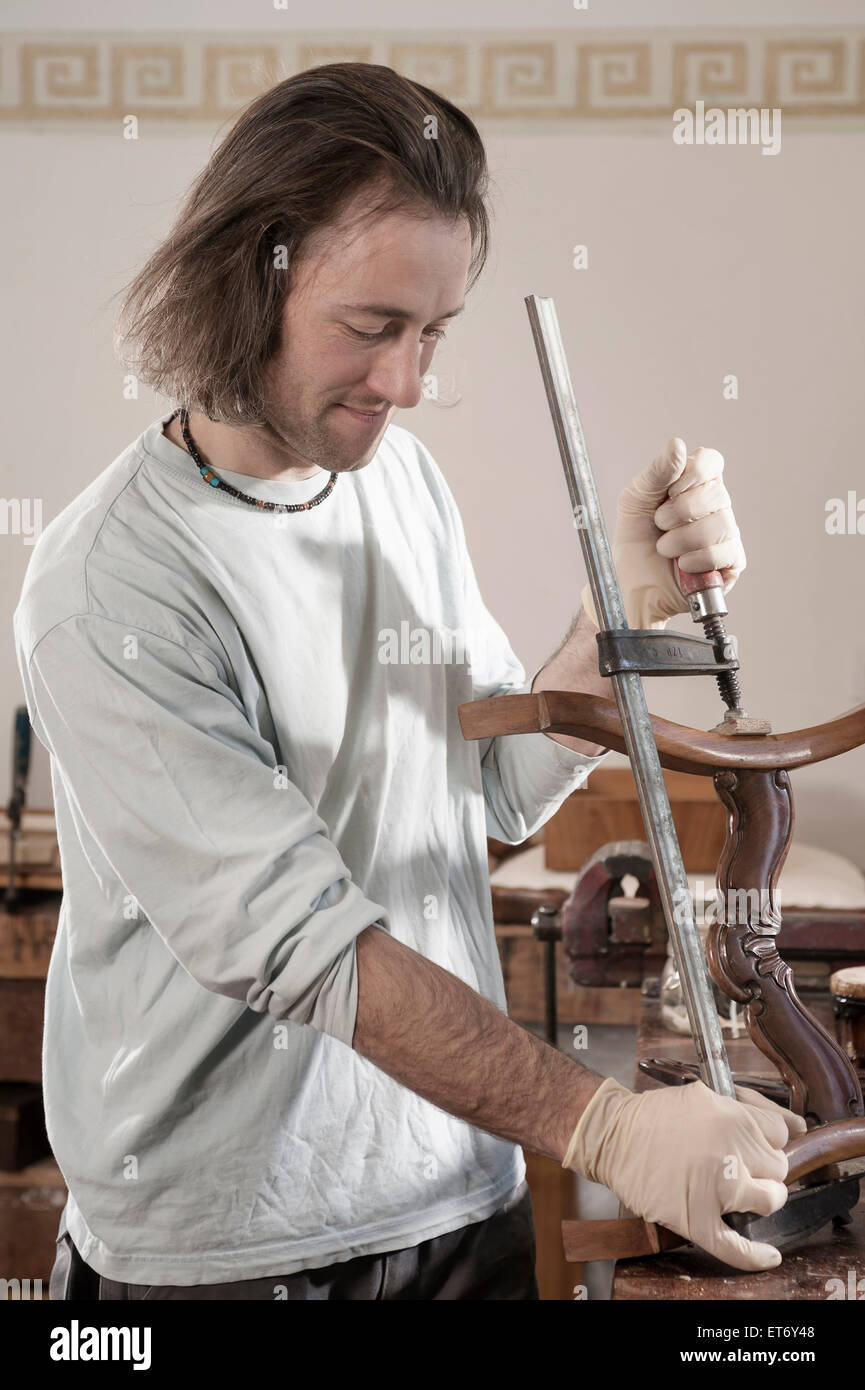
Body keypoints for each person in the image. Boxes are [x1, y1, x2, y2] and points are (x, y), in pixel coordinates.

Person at [14, 61, 804, 1302]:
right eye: (372, 327)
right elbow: (309, 948)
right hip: (228, 1254)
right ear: (250, 279)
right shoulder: (111, 582)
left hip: (454, 1196)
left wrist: (619, 622)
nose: (406, 384)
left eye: (432, 333)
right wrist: (605, 1130)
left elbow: (487, 788)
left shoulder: (399, 482)